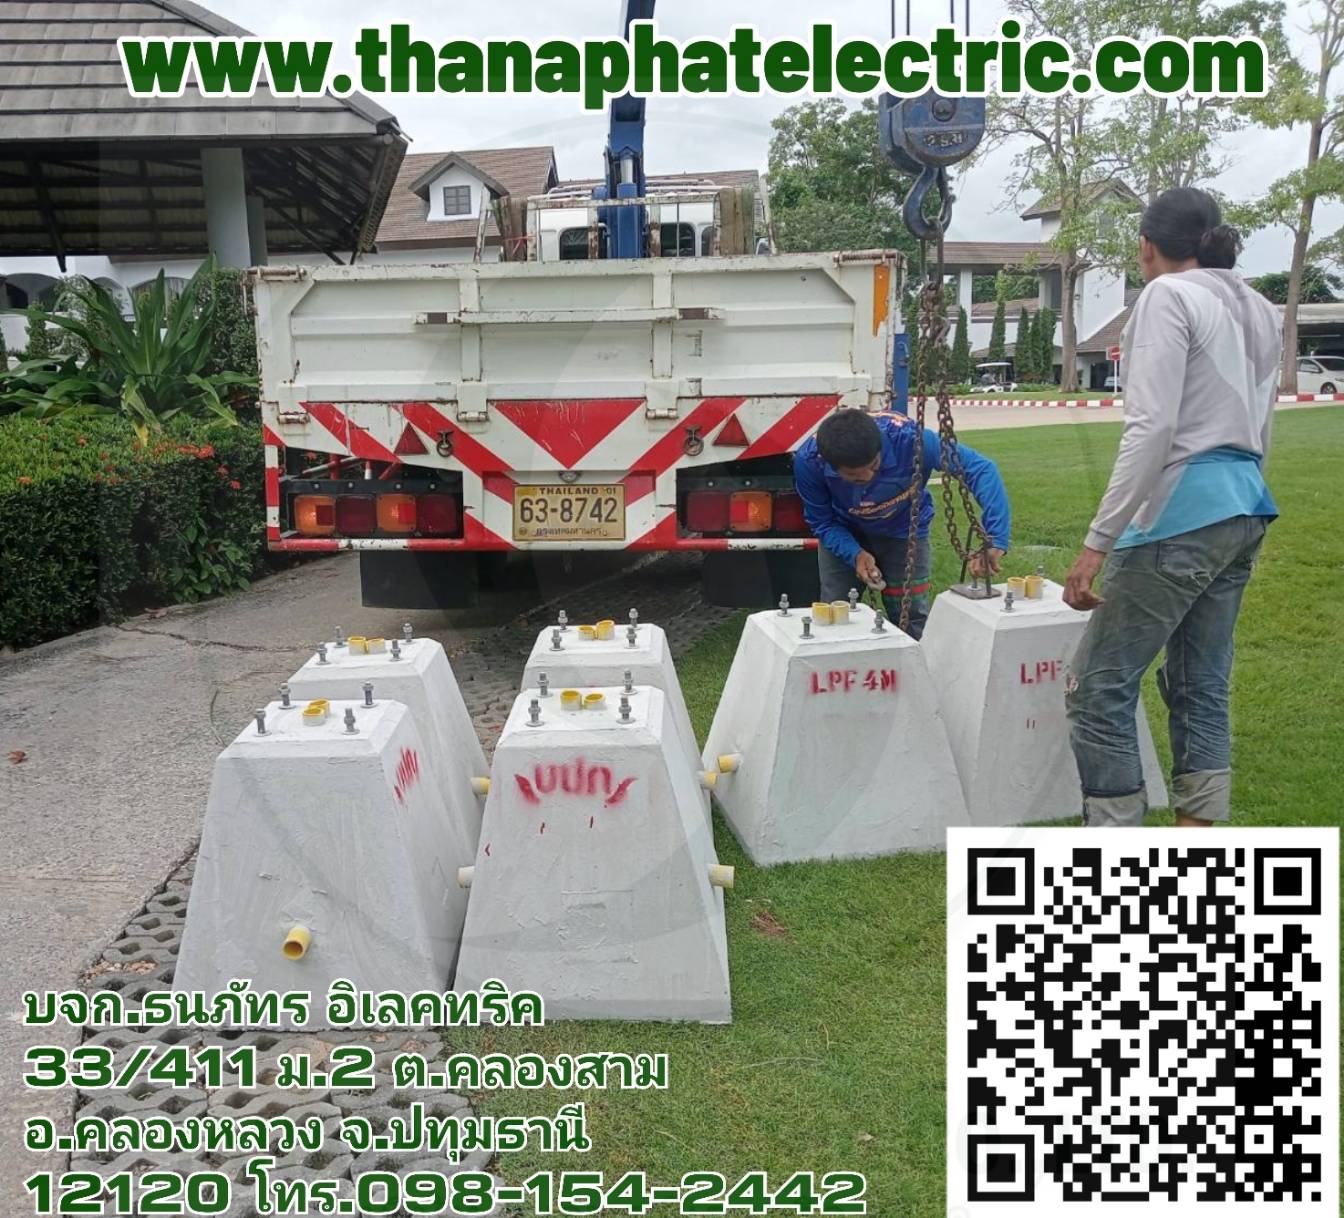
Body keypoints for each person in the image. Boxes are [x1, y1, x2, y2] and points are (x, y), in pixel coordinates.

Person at [1062, 186, 1280, 829]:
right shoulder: (1259, 305)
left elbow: (1152, 427)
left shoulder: (1166, 295)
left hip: (1183, 508)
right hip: (1246, 503)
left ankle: (1114, 852)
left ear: (1146, 246)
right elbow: (1262, 421)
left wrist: (1097, 542)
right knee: (1200, 684)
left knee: (1097, 686)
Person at [792, 409, 1011, 638]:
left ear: (880, 447)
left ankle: (915, 654)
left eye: (874, 466)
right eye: (854, 476)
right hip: (844, 529)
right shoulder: (809, 462)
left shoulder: (913, 440)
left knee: (911, 614)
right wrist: (854, 554)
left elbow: (980, 469)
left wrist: (996, 537)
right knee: (835, 611)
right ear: (830, 465)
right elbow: (822, 522)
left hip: (904, 529)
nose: (867, 477)